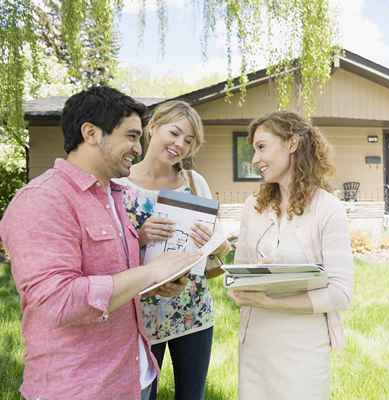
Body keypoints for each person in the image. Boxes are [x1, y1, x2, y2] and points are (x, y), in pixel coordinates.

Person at [0, 86, 202, 400]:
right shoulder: (42, 200)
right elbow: (58, 300)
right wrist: (150, 273)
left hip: (135, 378)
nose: (137, 148)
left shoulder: (116, 197)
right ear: (92, 133)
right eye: (131, 136)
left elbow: (117, 276)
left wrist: (154, 283)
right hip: (80, 388)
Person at [229, 111, 354, 399]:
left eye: (262, 147)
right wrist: (239, 282)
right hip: (256, 343)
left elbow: (340, 293)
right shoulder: (253, 207)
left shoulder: (327, 209)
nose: (255, 158)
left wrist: (268, 300)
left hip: (303, 346)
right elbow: (239, 276)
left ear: (292, 144)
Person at [116, 100, 231, 400]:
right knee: (142, 395)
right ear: (152, 127)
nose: (180, 144)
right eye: (175, 133)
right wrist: (139, 238)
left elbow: (218, 246)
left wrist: (217, 242)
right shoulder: (120, 184)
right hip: (139, 314)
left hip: (191, 312)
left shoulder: (195, 182)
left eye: (189, 140)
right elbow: (107, 251)